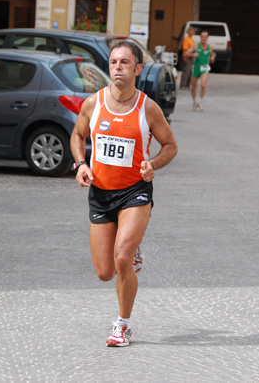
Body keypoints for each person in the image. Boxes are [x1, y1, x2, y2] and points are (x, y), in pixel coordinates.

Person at [70, 40, 178, 347]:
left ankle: (123, 324)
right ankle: (133, 251)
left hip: (135, 192)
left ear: (137, 69)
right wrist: (80, 164)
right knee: (105, 272)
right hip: (101, 194)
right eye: (114, 62)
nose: (118, 67)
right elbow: (77, 135)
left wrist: (153, 164)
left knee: (121, 259)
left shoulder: (148, 108)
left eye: (125, 63)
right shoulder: (94, 103)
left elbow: (170, 145)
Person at [186, 30, 215, 111]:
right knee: (193, 87)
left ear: (207, 38)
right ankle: (194, 101)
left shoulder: (210, 47)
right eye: (202, 36)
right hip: (196, 68)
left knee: (203, 85)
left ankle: (200, 101)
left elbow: (212, 55)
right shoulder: (195, 45)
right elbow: (186, 53)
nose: (204, 38)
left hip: (205, 68)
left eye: (205, 37)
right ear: (200, 37)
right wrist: (193, 54)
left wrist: (212, 58)